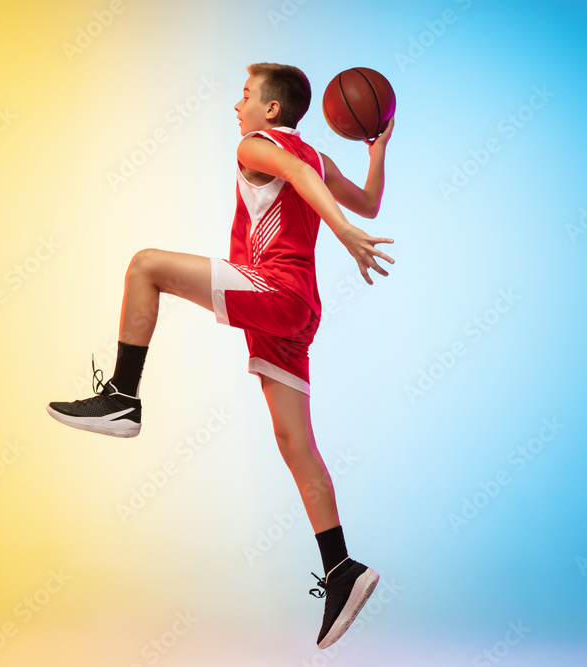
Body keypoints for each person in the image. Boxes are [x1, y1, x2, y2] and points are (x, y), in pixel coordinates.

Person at [48, 62, 395, 649]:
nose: (236, 107)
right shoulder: (320, 158)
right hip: (297, 311)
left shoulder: (258, 145)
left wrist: (341, 232)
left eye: (245, 96)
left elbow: (315, 191)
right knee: (295, 445)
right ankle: (343, 569)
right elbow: (369, 203)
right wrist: (377, 149)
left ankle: (121, 399)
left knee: (145, 266)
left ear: (272, 111)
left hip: (275, 289)